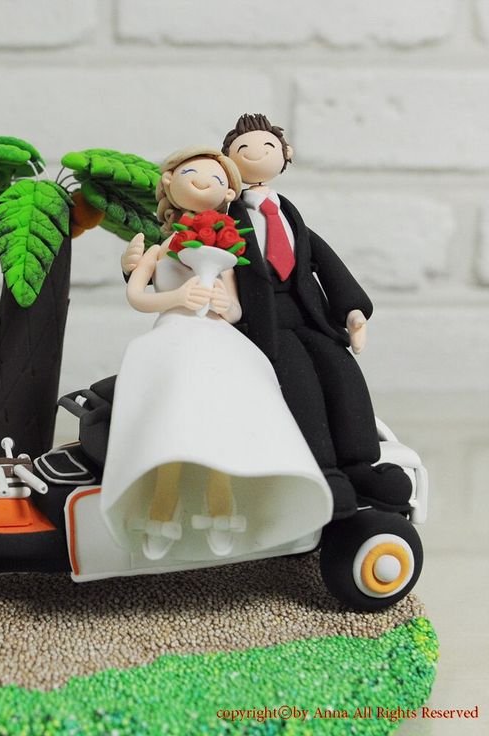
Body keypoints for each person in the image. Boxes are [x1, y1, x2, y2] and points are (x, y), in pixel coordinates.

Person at [102, 145, 332, 563]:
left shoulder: (227, 250)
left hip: (218, 340)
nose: (207, 182)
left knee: (224, 423)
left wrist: (226, 306)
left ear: (229, 195)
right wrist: (177, 296)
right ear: (170, 183)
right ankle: (160, 509)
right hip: (174, 338)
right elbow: (137, 296)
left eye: (220, 179)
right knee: (171, 424)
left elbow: (237, 307)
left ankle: (222, 507)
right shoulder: (162, 246)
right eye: (194, 172)